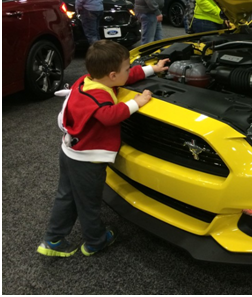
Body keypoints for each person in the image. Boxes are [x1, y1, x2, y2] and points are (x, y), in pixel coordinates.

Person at [37, 40, 170, 257]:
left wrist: (152, 69)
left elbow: (125, 77)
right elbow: (110, 116)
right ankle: (95, 241)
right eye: (127, 68)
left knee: (66, 196)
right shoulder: (99, 97)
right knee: (89, 204)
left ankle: (53, 239)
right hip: (87, 161)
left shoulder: (87, 81)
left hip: (69, 152)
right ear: (112, 75)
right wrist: (138, 101)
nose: (130, 71)